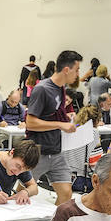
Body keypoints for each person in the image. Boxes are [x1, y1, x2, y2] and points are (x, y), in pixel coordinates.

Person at [25, 49, 81, 206]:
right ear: (66, 69)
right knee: (22, 193)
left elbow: (53, 115)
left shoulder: (61, 89)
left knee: (66, 194)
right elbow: (30, 123)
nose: (77, 74)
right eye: (76, 70)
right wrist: (60, 124)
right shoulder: (42, 89)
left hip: (56, 151)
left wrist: (67, 118)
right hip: (37, 152)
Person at [61, 104, 103, 186]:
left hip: (63, 179)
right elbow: (94, 164)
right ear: (97, 120)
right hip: (81, 181)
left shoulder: (70, 129)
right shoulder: (93, 132)